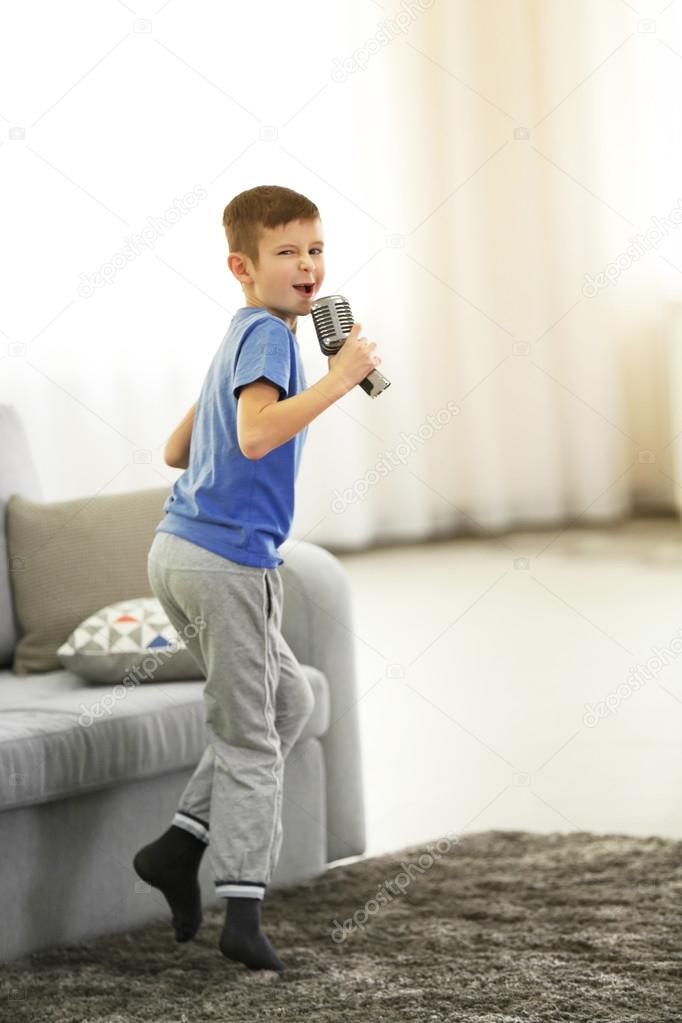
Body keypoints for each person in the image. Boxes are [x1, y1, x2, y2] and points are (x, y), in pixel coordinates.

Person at [132, 184, 382, 972]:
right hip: (226, 561)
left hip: (178, 550)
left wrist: (226, 404)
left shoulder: (244, 336)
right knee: (249, 736)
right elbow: (256, 434)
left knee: (287, 697)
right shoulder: (273, 339)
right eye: (287, 253)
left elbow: (179, 453)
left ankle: (179, 846)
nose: (308, 265)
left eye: (316, 250)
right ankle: (242, 909)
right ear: (243, 265)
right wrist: (340, 379)